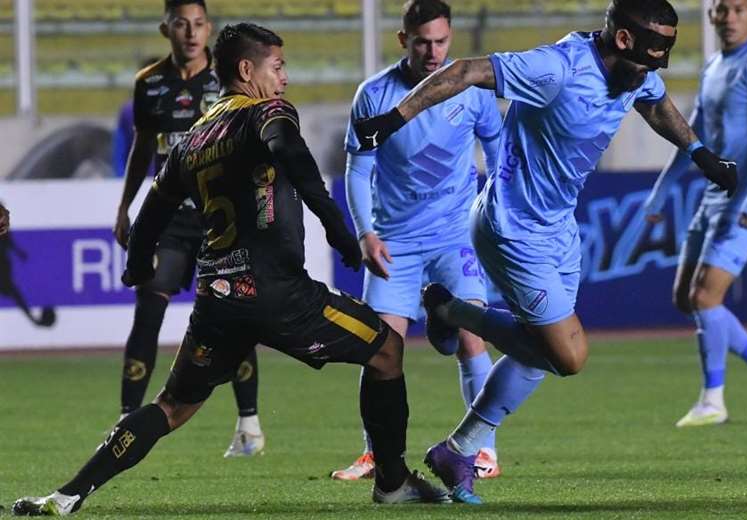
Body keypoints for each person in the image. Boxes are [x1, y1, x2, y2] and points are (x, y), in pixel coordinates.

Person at [11, 23, 451, 516]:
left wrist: (136, 264)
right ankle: (392, 482)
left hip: (217, 299)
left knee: (171, 406)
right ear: (247, 70)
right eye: (277, 67)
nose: (284, 78)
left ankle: (68, 494)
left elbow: (152, 209)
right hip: (279, 293)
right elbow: (290, 153)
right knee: (387, 350)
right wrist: (338, 231)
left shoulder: (193, 137)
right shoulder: (266, 112)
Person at [353, 0, 738, 504]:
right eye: (647, 59)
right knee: (570, 355)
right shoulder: (556, 68)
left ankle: (459, 448)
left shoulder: (634, 73)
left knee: (538, 354)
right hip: (512, 229)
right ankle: (453, 311)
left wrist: (699, 153)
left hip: (558, 229)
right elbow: (467, 70)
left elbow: (656, 102)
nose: (650, 72)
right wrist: (395, 118)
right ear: (622, 40)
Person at [332, 0, 504, 482]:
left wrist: (493, 204)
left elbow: (497, 148)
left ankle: (482, 449)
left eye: (442, 41)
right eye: (423, 41)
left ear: (451, 39)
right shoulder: (374, 94)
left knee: (474, 336)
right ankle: (375, 454)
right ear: (403, 39)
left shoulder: (470, 90)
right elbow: (358, 167)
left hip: (456, 237)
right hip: (396, 243)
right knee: (381, 350)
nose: (433, 52)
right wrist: (366, 232)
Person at [111, 0, 263, 458]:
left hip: (222, 219)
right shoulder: (149, 84)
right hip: (171, 219)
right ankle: (124, 420)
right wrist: (125, 207)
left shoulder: (227, 80)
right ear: (167, 29)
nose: (191, 33)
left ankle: (249, 425)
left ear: (208, 28)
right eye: (182, 24)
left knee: (232, 314)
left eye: (198, 24)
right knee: (149, 303)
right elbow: (142, 149)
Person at [643, 0, 747, 428]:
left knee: (705, 297)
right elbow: (694, 137)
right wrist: (660, 192)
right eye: (720, 10)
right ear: (710, 16)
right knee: (684, 298)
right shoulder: (713, 67)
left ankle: (713, 401)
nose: (727, 17)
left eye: (736, 9)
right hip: (712, 198)